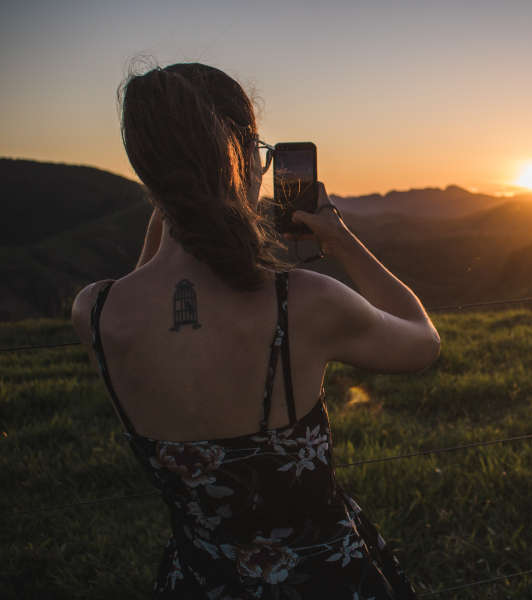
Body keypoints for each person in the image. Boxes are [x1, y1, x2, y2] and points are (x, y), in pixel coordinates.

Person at [69, 62, 440, 599]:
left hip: (198, 581)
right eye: (260, 154)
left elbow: (146, 284)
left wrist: (167, 206)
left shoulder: (96, 312)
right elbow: (422, 342)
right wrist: (340, 239)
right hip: (323, 580)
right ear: (242, 159)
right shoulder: (300, 302)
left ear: (147, 170)